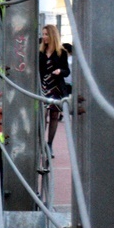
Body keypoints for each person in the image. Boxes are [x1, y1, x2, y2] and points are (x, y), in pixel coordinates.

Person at [38, 24, 69, 154]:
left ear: (52, 36)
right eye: (43, 34)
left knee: (54, 115)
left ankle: (49, 144)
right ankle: (40, 144)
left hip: (56, 87)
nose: (44, 37)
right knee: (43, 114)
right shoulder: (40, 52)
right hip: (43, 86)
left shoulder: (61, 53)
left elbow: (67, 71)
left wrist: (59, 71)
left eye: (46, 34)